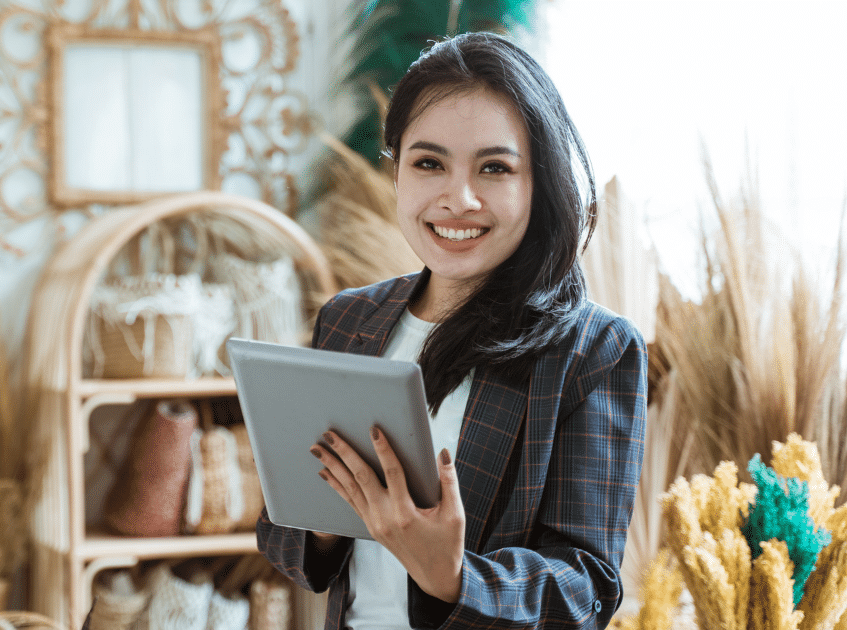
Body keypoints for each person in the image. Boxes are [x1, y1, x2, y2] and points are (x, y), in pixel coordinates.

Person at [257, 32, 647, 629]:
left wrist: (454, 575)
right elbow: (283, 534)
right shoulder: (348, 319)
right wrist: (326, 517)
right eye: (429, 163)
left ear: (538, 182)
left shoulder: (594, 350)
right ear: (397, 173)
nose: (457, 198)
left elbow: (588, 589)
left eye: (494, 167)